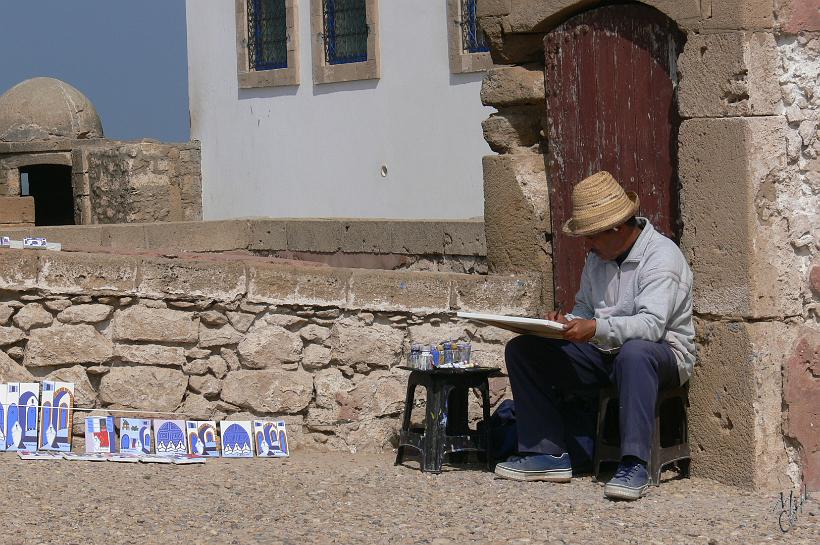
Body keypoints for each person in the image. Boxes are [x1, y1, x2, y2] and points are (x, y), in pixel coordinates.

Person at [494, 171, 696, 501]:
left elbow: (652, 326)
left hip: (661, 355)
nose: (587, 244)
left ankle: (634, 464)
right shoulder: (596, 260)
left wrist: (595, 329)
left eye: (593, 236)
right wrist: (564, 324)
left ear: (617, 228)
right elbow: (586, 309)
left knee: (635, 353)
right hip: (604, 350)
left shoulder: (662, 257)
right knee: (525, 349)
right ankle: (548, 454)